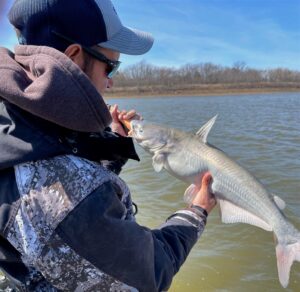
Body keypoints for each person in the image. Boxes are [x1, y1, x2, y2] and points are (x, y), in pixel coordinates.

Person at [0, 0, 216, 291]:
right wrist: (197, 212)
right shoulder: (72, 204)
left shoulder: (13, 117)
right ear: (75, 57)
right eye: (110, 67)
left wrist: (108, 145)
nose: (111, 83)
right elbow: (150, 272)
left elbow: (57, 165)